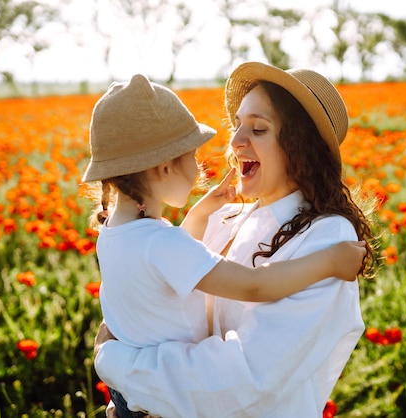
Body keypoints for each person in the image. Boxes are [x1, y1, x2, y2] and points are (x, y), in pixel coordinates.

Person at [94, 62, 378, 417]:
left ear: (300, 148)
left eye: (258, 129)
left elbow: (244, 381)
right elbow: (160, 293)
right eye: (238, 125)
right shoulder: (225, 218)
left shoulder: (326, 238)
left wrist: (118, 363)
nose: (234, 141)